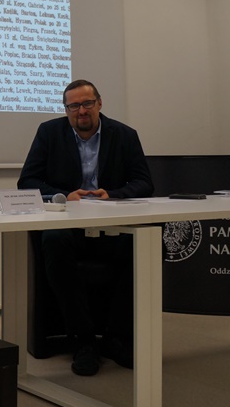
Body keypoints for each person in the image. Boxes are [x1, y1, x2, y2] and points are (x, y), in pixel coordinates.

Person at [18, 79, 153, 376]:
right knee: (54, 241)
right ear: (66, 109)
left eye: (87, 103)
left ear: (99, 104)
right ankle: (83, 340)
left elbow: (144, 182)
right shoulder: (49, 132)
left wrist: (112, 194)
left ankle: (116, 337)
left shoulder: (125, 135)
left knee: (146, 242)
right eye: (74, 106)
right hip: (68, 227)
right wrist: (64, 195)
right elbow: (27, 181)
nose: (81, 111)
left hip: (113, 226)